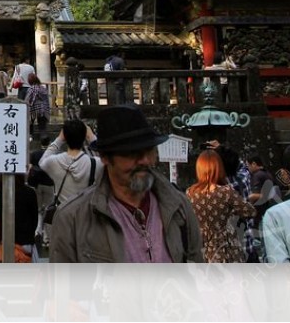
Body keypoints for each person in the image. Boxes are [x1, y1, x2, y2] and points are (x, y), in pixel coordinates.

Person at [50, 105, 204, 263]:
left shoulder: (178, 206)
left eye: (149, 151)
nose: (144, 161)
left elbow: (196, 270)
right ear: (105, 158)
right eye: (132, 153)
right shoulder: (73, 219)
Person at [38, 119, 101, 248]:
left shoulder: (54, 162)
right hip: (86, 219)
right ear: (84, 138)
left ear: (65, 138)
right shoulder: (95, 163)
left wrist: (59, 139)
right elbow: (107, 159)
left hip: (62, 218)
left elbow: (42, 161)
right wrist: (92, 138)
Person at [186, 149, 257, 263]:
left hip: (200, 245)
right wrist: (230, 212)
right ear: (218, 167)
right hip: (223, 246)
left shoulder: (190, 192)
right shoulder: (225, 191)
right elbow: (250, 211)